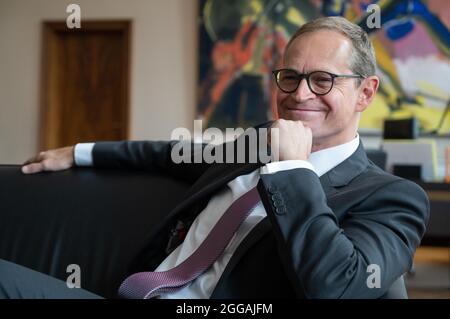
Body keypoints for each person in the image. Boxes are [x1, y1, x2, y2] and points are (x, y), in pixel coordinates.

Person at [2, 16, 428, 299]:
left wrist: (293, 169)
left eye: (322, 80)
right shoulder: (256, 144)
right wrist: (78, 153)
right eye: (290, 77)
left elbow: (336, 285)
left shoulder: (392, 197)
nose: (299, 95)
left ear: (366, 93)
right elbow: (174, 154)